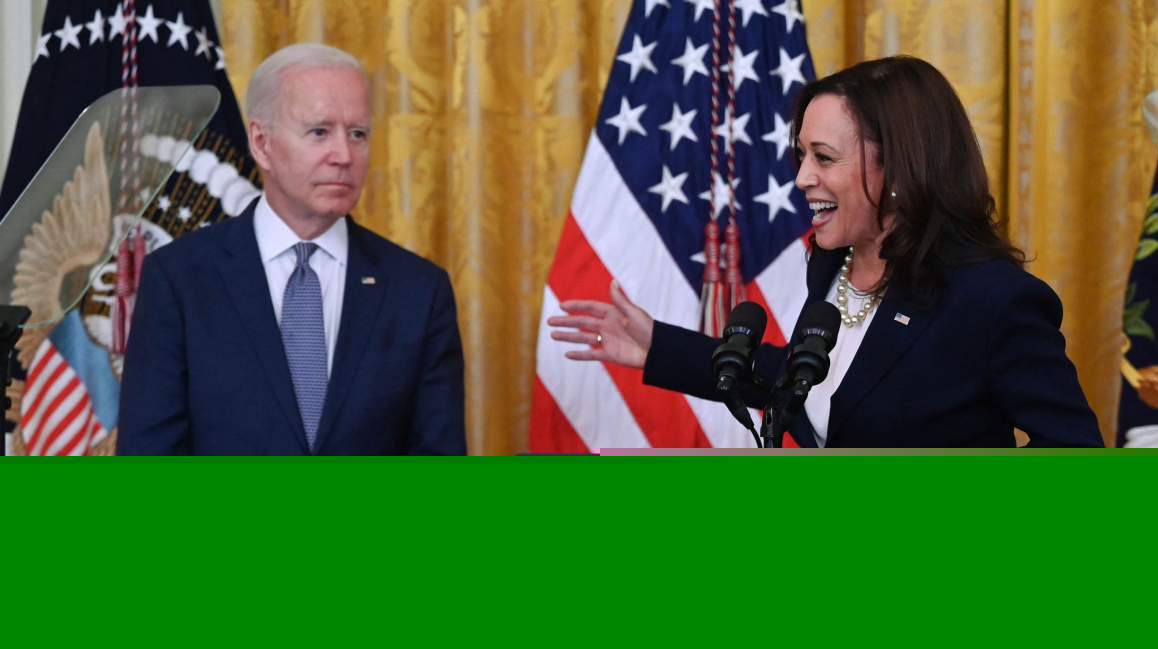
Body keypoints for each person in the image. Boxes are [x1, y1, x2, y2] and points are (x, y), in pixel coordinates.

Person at [548, 56, 1104, 448]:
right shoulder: (832, 267)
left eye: (824, 157)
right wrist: (658, 346)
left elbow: (1073, 453)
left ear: (899, 168)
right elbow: (811, 381)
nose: (802, 178)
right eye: (802, 156)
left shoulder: (993, 299)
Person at [119, 44, 465, 455]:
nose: (344, 156)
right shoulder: (179, 280)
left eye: (358, 134)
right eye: (320, 132)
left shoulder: (419, 291)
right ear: (261, 142)